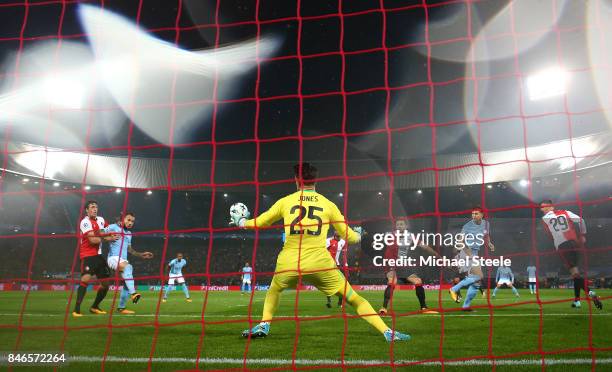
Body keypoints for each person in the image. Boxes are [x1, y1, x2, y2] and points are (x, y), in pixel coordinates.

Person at [232, 163, 410, 342]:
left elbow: (262, 222)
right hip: (320, 263)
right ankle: (387, 332)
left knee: (274, 290)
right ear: (315, 180)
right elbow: (349, 236)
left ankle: (264, 324)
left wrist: (242, 222)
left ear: (296, 180)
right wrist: (360, 235)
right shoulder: (328, 205)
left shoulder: (285, 201)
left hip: (289, 263)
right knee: (354, 298)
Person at [539, 200, 602, 309]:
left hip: (562, 246)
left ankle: (591, 292)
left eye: (544, 207)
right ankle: (577, 301)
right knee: (576, 273)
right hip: (574, 243)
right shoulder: (566, 212)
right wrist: (582, 235)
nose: (542, 209)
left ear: (551, 207)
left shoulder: (544, 219)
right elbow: (581, 220)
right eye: (542, 207)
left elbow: (550, 234)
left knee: (575, 274)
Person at [379, 219, 440, 315]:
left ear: (406, 226)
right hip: (391, 264)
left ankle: (424, 308)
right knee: (392, 282)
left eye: (401, 224)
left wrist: (436, 254)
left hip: (403, 265)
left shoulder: (410, 237)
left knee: (418, 281)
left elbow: (423, 246)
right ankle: (383, 308)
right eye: (398, 224)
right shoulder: (390, 235)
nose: (399, 226)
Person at [72, 200, 120, 317]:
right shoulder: (85, 222)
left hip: (98, 256)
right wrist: (108, 238)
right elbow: (93, 240)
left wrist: (120, 225)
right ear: (87, 210)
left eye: (96, 207)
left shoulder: (101, 220)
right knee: (85, 280)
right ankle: (76, 310)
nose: (94, 209)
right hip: (87, 255)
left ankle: (94, 307)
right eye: (92, 207)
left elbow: (110, 229)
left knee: (106, 284)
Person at [106, 212, 154, 314]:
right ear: (122, 219)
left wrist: (141, 254)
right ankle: (134, 294)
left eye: (132, 221)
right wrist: (109, 238)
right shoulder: (113, 227)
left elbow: (130, 250)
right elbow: (99, 233)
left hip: (123, 260)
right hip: (113, 258)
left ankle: (121, 308)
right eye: (128, 220)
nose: (130, 222)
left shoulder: (129, 234)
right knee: (128, 268)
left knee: (128, 279)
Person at [449, 207, 495, 311]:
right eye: (472, 214)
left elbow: (486, 235)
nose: (474, 215)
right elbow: (460, 242)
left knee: (476, 282)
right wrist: (469, 254)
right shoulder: (467, 226)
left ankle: (466, 306)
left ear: (482, 215)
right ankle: (454, 289)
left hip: (475, 252)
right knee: (480, 276)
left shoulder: (486, 224)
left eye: (476, 214)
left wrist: (489, 244)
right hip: (466, 252)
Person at [326, 232, 346, 308]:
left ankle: (340, 302)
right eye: (338, 236)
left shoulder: (343, 242)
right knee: (328, 283)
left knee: (342, 282)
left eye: (340, 236)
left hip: (337, 265)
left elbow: (344, 253)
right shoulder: (328, 241)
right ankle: (329, 301)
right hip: (328, 265)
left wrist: (345, 264)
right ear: (334, 236)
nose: (339, 238)